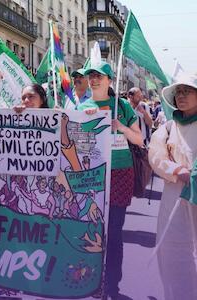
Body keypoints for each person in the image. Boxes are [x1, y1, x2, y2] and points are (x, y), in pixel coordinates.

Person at [76, 61, 143, 300]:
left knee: (114, 233)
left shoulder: (122, 105)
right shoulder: (82, 106)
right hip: (92, 175)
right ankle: (92, 280)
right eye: (90, 76)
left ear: (109, 80)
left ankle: (112, 284)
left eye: (99, 76)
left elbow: (139, 140)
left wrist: (121, 127)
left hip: (120, 174)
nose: (93, 80)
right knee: (91, 232)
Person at [148, 74, 197, 300]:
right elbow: (155, 157)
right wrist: (178, 171)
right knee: (172, 252)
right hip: (175, 196)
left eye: (187, 91)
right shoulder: (167, 127)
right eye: (178, 92)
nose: (181, 96)